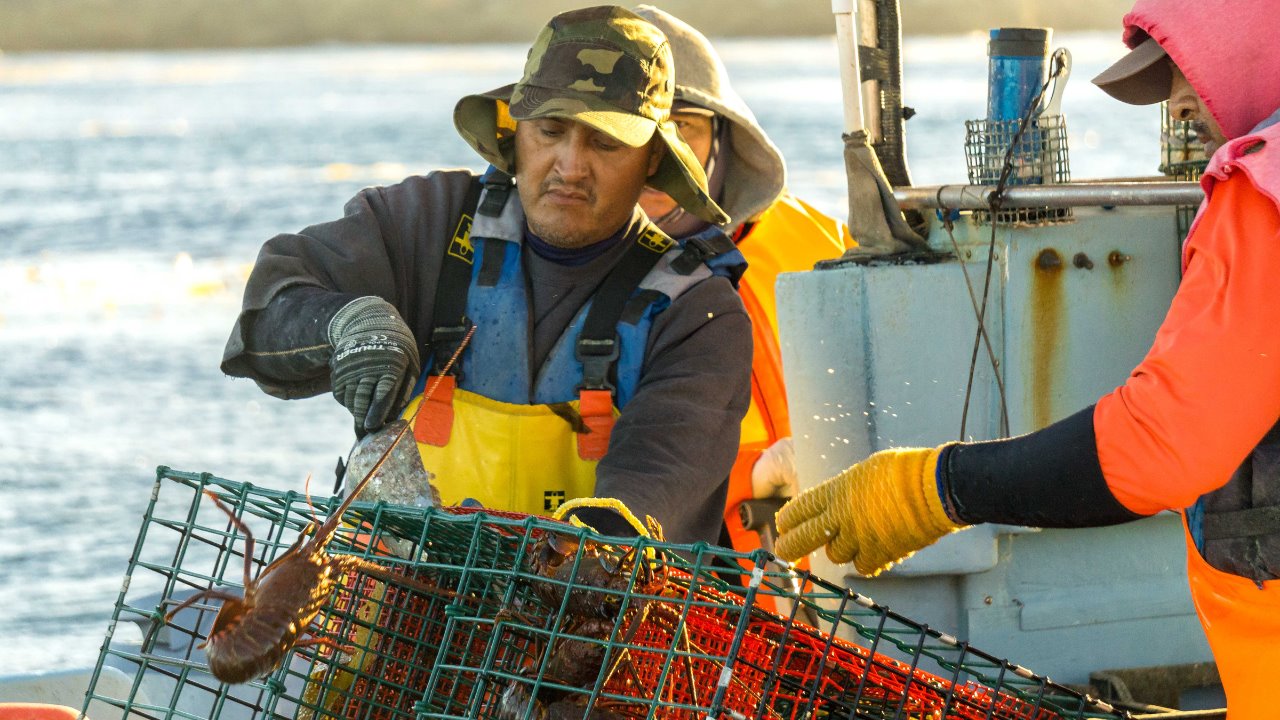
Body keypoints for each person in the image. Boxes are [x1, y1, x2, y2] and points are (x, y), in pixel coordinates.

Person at [772, 0, 1280, 714]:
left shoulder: (1262, 193)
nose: (1180, 105)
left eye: (1187, 71)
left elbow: (1166, 446)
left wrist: (940, 487)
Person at [220, 6, 753, 546]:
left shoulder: (696, 314)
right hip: (396, 603)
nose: (570, 166)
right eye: (550, 130)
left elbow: (650, 489)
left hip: (585, 616)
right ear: (514, 130)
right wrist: (347, 323)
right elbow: (267, 310)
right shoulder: (424, 223)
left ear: (653, 158)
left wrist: (551, 570)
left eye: (605, 143)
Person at [630, 5, 856, 556]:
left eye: (683, 125)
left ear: (723, 142)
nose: (662, 155)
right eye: (635, 129)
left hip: (831, 583)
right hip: (673, 590)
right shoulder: (552, 274)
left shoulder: (825, 242)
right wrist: (749, 479)